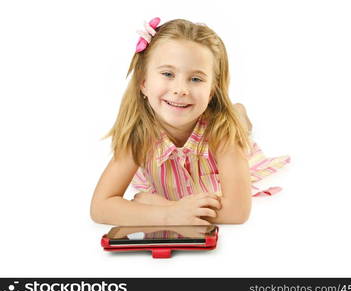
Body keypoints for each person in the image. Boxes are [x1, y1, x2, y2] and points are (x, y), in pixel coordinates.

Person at [90, 17, 290, 226]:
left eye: (196, 79)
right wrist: (171, 215)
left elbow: (237, 211)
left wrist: (162, 207)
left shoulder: (223, 132)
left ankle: (239, 114)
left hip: (221, 133)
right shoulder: (139, 133)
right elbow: (100, 207)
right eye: (168, 74)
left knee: (237, 125)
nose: (180, 89)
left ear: (212, 91)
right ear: (144, 83)